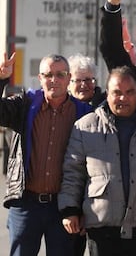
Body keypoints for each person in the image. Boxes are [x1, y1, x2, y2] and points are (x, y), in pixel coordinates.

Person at [58, 66, 136, 256]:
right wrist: (70, 209)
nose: (123, 98)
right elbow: (73, 172)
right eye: (117, 92)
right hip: (103, 226)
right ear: (107, 93)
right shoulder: (85, 126)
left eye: (129, 92)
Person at [0, 53, 92, 256]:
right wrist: (1, 81)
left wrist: (83, 209)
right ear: (39, 78)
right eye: (48, 74)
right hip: (26, 204)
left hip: (63, 206)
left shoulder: (84, 113)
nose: (54, 80)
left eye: (60, 74)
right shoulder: (25, 105)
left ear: (69, 78)